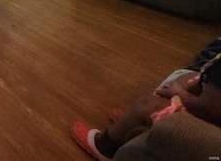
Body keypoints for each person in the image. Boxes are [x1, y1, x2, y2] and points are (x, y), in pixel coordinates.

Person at [71, 38, 221, 161]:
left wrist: (178, 91)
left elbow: (208, 107)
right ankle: (132, 123)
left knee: (144, 104)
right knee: (175, 82)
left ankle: (104, 145)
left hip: (204, 119)